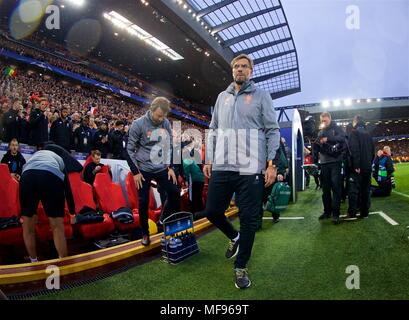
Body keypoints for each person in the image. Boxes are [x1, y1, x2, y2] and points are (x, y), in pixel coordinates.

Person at [203, 53, 280, 289]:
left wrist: (271, 164)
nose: (240, 69)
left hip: (250, 168)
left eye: (244, 66)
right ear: (232, 70)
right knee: (212, 211)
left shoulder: (261, 96)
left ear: (251, 71)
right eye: (236, 66)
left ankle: (241, 266)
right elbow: (213, 128)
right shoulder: (221, 97)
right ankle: (233, 237)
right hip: (223, 165)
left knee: (248, 218)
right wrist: (208, 159)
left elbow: (272, 130)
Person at [127, 97, 180, 246]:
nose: (160, 119)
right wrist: (135, 171)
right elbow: (129, 149)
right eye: (158, 115)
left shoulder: (165, 123)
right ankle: (145, 233)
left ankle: (164, 219)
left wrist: (170, 166)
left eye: (163, 116)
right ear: (151, 110)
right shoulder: (138, 124)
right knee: (143, 201)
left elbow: (169, 146)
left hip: (161, 167)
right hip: (143, 168)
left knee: (175, 192)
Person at [20, 142, 83, 262]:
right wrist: (72, 214)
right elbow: (67, 190)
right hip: (50, 176)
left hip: (27, 176)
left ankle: (34, 261)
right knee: (57, 227)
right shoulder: (59, 159)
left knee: (27, 227)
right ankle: (63, 263)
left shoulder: (34, 156)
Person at [315, 112, 346, 225]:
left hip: (335, 162)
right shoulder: (320, 131)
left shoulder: (337, 128)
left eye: (325, 120)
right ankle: (327, 211)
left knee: (336, 188)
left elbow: (343, 138)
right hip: (324, 164)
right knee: (325, 189)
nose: (324, 122)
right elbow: (317, 145)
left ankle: (335, 214)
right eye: (322, 121)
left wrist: (328, 139)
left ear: (330, 118)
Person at [347, 115, 375, 218]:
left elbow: (354, 150)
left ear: (356, 122)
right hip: (367, 166)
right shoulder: (369, 134)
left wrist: (356, 165)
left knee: (353, 190)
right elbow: (373, 152)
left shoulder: (354, 133)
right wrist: (369, 163)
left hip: (358, 168)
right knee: (366, 190)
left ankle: (352, 212)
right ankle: (365, 212)